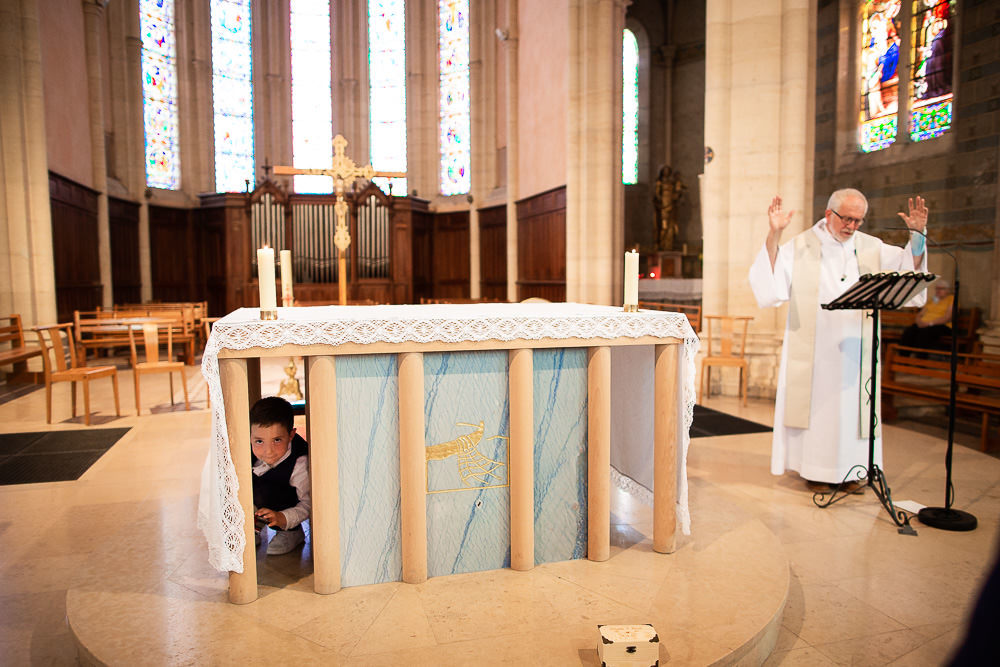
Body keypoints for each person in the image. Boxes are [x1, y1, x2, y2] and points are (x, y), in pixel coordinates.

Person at [748, 189, 928, 493]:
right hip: (815, 350)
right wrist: (774, 234)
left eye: (858, 220)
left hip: (857, 347)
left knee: (853, 410)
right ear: (829, 214)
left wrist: (918, 235)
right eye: (847, 218)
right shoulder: (803, 245)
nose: (853, 226)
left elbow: (907, 268)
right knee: (820, 410)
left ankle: (852, 470)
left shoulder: (871, 246)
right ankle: (814, 470)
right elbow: (771, 279)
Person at [250, 396, 310, 555]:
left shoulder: (299, 462)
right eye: (259, 441)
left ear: (291, 435)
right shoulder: (248, 450)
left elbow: (308, 503)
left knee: (278, 487)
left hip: (286, 508)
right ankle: (254, 525)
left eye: (277, 440)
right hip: (261, 500)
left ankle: (292, 532)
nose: (268, 451)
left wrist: (284, 518)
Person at [899, 279, 953, 352]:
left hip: (941, 326)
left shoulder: (952, 299)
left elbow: (947, 317)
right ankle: (903, 357)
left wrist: (929, 323)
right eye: (937, 288)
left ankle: (921, 357)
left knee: (925, 333)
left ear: (948, 290)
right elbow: (920, 314)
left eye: (941, 288)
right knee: (909, 331)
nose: (938, 290)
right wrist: (919, 322)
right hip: (925, 324)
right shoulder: (933, 300)